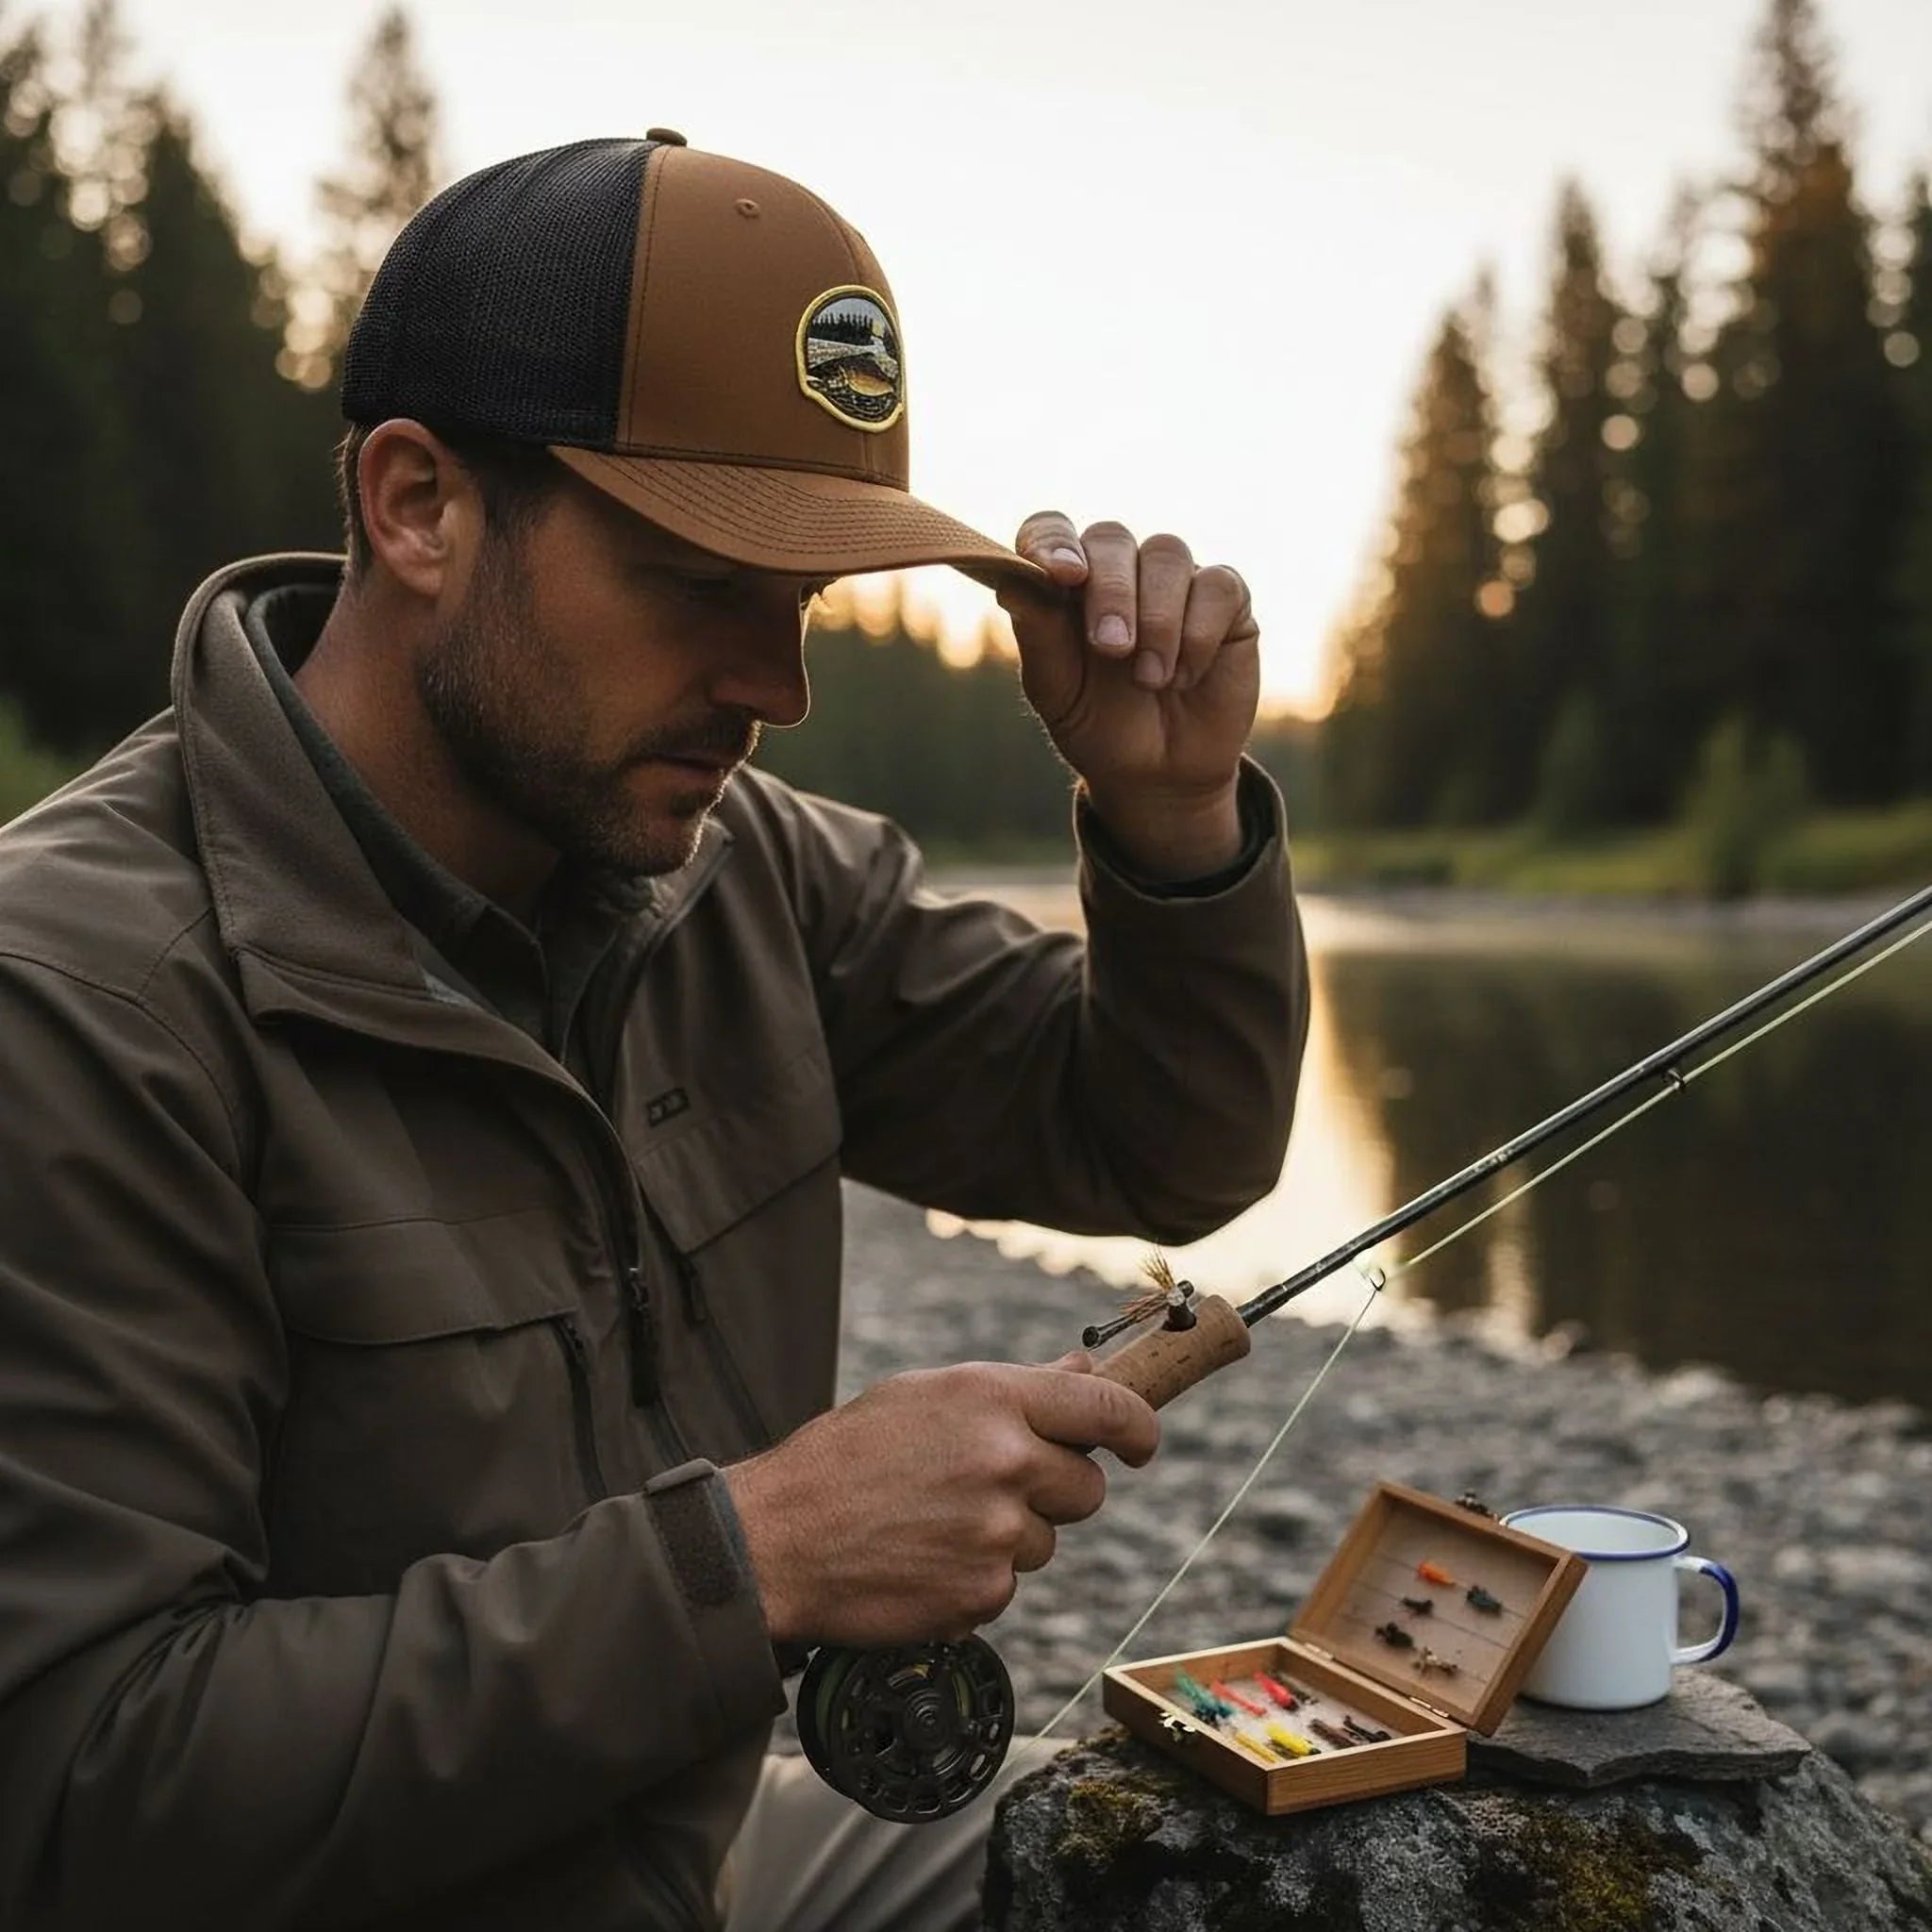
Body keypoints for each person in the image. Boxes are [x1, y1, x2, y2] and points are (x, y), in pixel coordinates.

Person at [0, 134, 1307, 1930]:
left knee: (1275, 1864)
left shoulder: (741, 869)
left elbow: (1162, 1146)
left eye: (803, 605)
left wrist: (1174, 827)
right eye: (705, 585)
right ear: (418, 507)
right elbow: (77, 1786)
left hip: (677, 1857)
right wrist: (758, 1558)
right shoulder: (78, 1005)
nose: (775, 691)